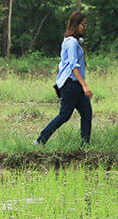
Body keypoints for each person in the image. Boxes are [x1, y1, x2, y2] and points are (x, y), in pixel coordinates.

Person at [36, 11, 92, 145]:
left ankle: (85, 145)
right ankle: (40, 140)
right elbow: (73, 66)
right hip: (71, 84)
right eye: (83, 24)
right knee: (64, 115)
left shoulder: (72, 41)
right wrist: (85, 85)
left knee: (86, 114)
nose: (85, 27)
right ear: (76, 25)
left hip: (75, 84)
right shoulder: (71, 42)